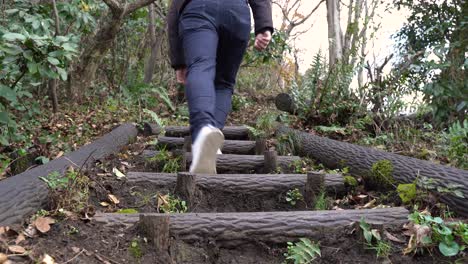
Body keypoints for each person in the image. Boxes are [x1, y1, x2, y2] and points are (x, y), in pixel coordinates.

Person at [167, 0, 273, 174]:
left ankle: (203, 131)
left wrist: (178, 60)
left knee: (200, 67)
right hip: (236, 12)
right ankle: (211, 139)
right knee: (224, 83)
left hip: (198, 9)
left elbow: (173, 11)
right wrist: (264, 25)